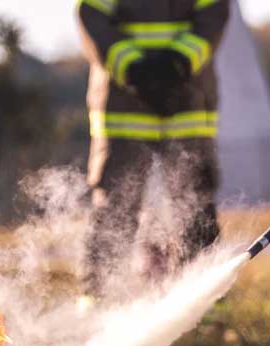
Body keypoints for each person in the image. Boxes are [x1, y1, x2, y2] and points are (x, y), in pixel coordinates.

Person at [76, 0, 229, 290]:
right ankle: (98, 303)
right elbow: (92, 16)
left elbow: (213, 13)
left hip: (185, 101)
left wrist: (178, 64)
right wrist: (134, 69)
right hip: (128, 104)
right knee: (115, 209)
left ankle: (203, 306)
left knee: (196, 207)